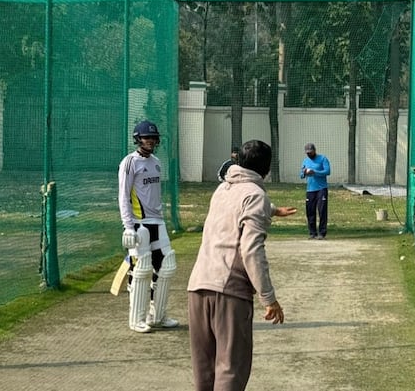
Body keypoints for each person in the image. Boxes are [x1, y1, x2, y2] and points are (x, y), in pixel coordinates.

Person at [187, 139, 295, 391]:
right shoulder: (255, 195)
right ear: (266, 168)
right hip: (229, 292)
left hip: (198, 286)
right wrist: (269, 298)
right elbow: (251, 250)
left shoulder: (222, 189)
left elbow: (240, 205)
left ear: (239, 162)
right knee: (230, 370)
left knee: (204, 370)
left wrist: (272, 209)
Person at [118, 119, 179, 333]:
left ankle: (158, 316)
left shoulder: (156, 162)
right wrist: (128, 226)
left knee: (167, 266)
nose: (150, 141)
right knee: (142, 269)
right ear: (138, 139)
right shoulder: (129, 162)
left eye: (153, 138)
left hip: (157, 221)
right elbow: (123, 196)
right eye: (146, 137)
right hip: (138, 223)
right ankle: (136, 319)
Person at [300, 143, 331, 240]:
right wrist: (304, 172)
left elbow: (327, 171)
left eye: (310, 152)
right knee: (310, 211)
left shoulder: (322, 159)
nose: (309, 154)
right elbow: (301, 175)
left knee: (322, 211)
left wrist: (315, 172)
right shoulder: (305, 161)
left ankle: (322, 233)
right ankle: (312, 232)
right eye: (307, 153)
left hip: (321, 188)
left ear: (314, 150)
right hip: (310, 189)